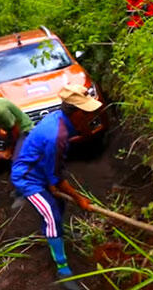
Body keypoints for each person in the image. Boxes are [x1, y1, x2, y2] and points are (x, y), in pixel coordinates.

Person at [10, 84, 102, 290]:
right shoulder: (57, 135)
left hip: (41, 169)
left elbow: (54, 171)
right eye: (86, 112)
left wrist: (55, 186)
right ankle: (62, 268)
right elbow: (57, 179)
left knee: (58, 204)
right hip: (28, 178)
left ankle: (58, 235)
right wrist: (79, 199)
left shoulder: (61, 121)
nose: (89, 115)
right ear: (76, 113)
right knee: (51, 214)